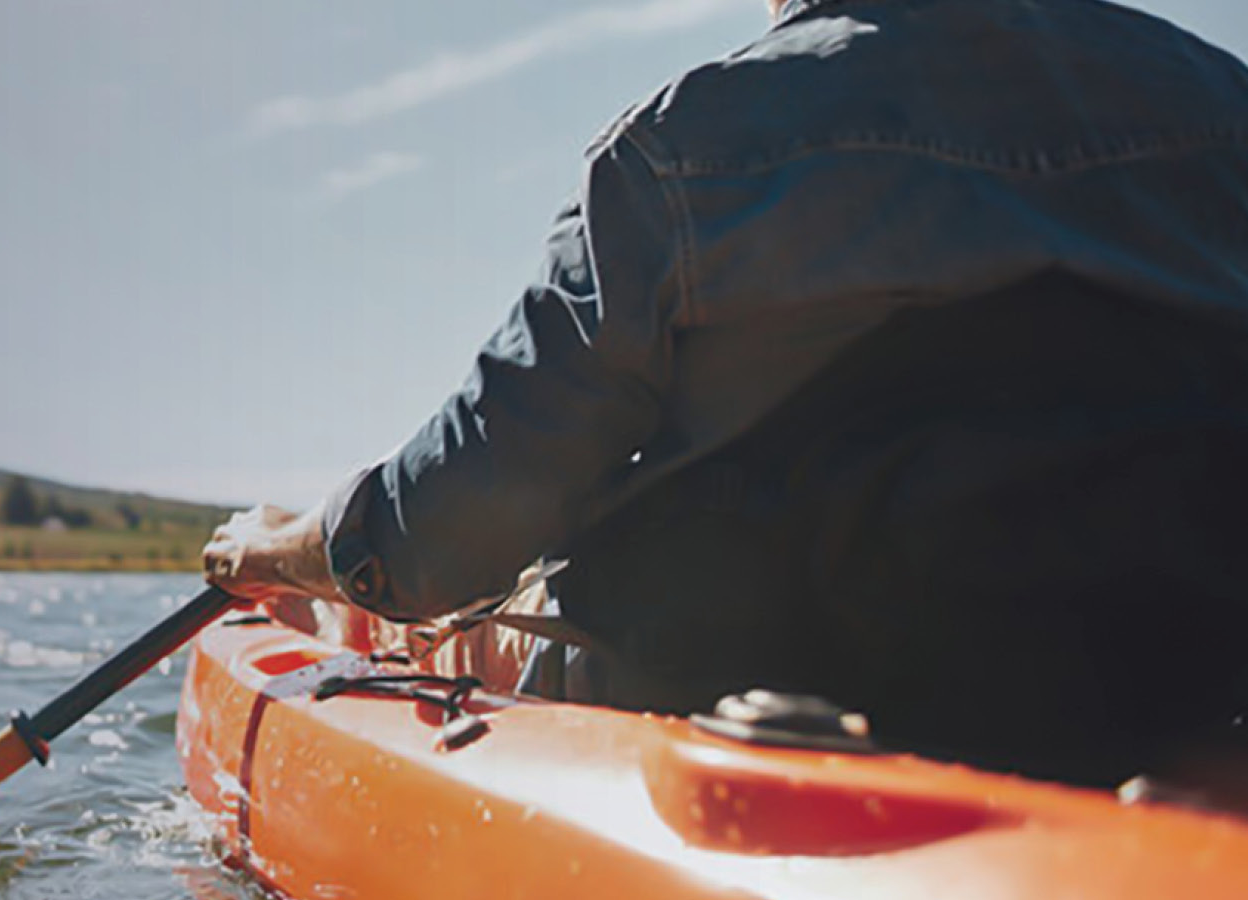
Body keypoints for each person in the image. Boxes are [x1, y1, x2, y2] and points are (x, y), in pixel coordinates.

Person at [203, 0, 1248, 794]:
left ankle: (315, 600)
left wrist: (276, 551)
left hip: (753, 678)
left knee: (448, 613)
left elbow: (442, 533)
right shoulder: (1226, 107)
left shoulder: (682, 149)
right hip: (1167, 677)